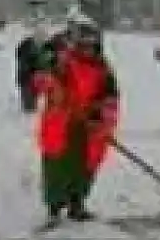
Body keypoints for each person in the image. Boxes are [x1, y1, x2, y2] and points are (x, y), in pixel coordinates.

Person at [33, 18, 120, 226]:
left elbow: (111, 99)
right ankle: (54, 208)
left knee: (84, 168)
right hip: (61, 127)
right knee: (57, 169)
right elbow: (42, 82)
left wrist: (100, 116)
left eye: (92, 46)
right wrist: (53, 84)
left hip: (88, 129)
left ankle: (77, 204)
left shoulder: (104, 71)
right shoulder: (60, 64)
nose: (87, 50)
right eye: (83, 45)